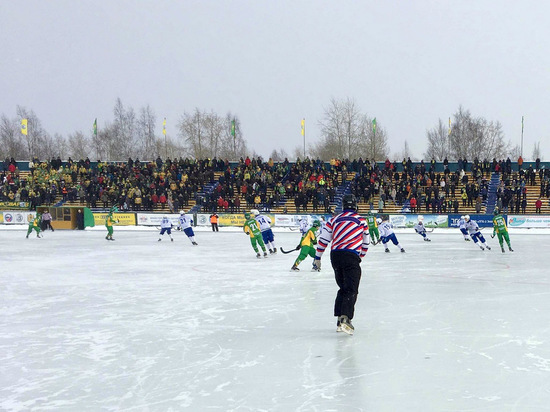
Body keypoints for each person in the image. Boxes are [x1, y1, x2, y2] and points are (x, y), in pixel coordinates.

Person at [314, 194, 369, 335]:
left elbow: (324, 240)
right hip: (351, 254)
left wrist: (317, 257)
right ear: (355, 205)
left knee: (343, 287)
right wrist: (359, 256)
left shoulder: (334, 220)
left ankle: (339, 319)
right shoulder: (361, 221)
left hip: (336, 256)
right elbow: (365, 243)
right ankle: (346, 318)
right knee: (351, 288)